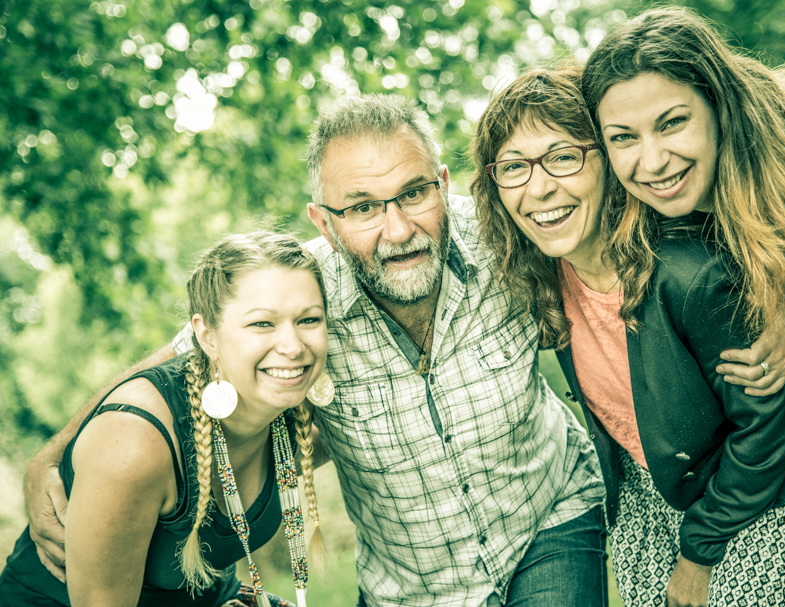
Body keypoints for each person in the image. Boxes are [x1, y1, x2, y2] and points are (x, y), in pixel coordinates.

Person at [21, 95, 607, 607]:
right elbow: (173, 366)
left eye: (413, 193)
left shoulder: (509, 239)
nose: (397, 228)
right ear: (324, 222)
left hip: (548, 519)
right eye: (362, 207)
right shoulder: (296, 297)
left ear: (444, 184)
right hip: (411, 586)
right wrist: (52, 456)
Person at [470, 64, 785, 606]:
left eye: (563, 156)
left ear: (605, 163)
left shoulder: (694, 269)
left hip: (768, 511)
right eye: (514, 166)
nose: (539, 187)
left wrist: (697, 552)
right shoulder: (546, 277)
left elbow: (766, 427)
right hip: (668, 512)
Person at [580, 6, 785, 542]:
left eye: (672, 123)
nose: (653, 160)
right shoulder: (677, 217)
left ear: (718, 103)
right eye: (623, 138)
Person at [1, 230, 328, 607]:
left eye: (308, 320)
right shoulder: (133, 445)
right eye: (262, 324)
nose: (293, 346)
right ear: (207, 336)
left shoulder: (291, 415)